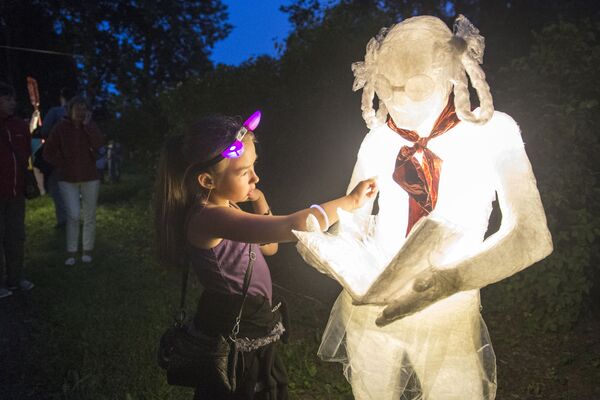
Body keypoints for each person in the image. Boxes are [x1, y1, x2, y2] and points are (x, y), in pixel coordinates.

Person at [293, 15, 553, 400]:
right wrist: (328, 251)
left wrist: (453, 279)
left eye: (415, 87)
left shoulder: (493, 132)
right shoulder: (378, 141)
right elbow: (350, 218)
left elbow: (532, 236)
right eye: (387, 87)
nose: (397, 99)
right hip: (370, 312)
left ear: (452, 74)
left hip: (447, 310)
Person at [154, 112, 377, 399]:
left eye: (253, 166)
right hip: (236, 322)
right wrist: (351, 201)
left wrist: (258, 199)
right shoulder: (208, 218)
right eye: (244, 172)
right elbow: (294, 226)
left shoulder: (226, 208)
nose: (255, 177)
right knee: (241, 388)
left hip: (249, 317)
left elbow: (269, 247)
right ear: (207, 180)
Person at [43, 96, 105, 266]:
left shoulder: (90, 127)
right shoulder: (61, 128)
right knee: (73, 215)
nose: (80, 112)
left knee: (90, 215)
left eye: (83, 109)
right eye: (77, 108)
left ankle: (87, 250)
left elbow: (99, 144)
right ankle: (71, 252)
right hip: (67, 178)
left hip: (90, 177)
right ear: (69, 110)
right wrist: (62, 163)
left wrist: (88, 127)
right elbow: (47, 152)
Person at [0, 81, 35, 299]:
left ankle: (15, 278)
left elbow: (26, 158)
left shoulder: (20, 126)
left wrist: (27, 181)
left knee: (16, 236)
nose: (13, 103)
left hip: (16, 193)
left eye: (13, 99)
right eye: (7, 99)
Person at [39, 87, 73, 229]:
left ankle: (63, 219)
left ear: (61, 97)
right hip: (74, 155)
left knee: (56, 186)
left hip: (57, 154)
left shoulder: (56, 112)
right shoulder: (80, 113)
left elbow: (45, 130)